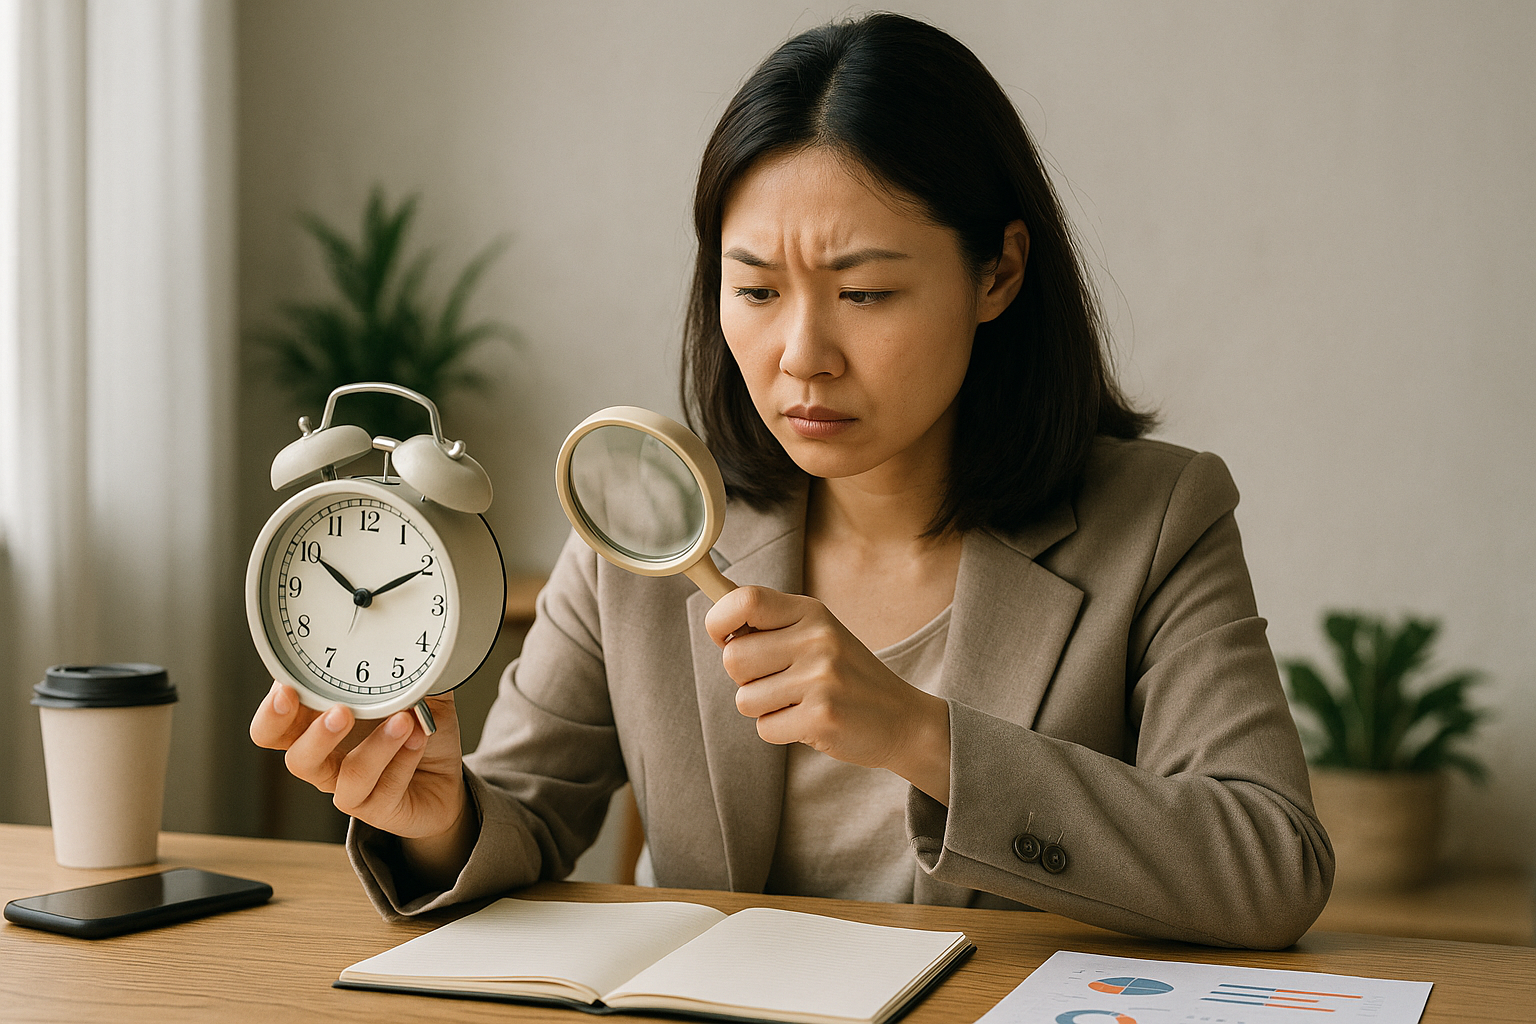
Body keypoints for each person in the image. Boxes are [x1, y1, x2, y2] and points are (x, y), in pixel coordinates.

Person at [251, 12, 1332, 949]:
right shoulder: (646, 520)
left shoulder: (1158, 519)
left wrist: (918, 733)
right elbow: (524, 811)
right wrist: (436, 813)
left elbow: (1271, 861)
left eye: (863, 293)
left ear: (997, 271)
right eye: (756, 289)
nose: (800, 354)